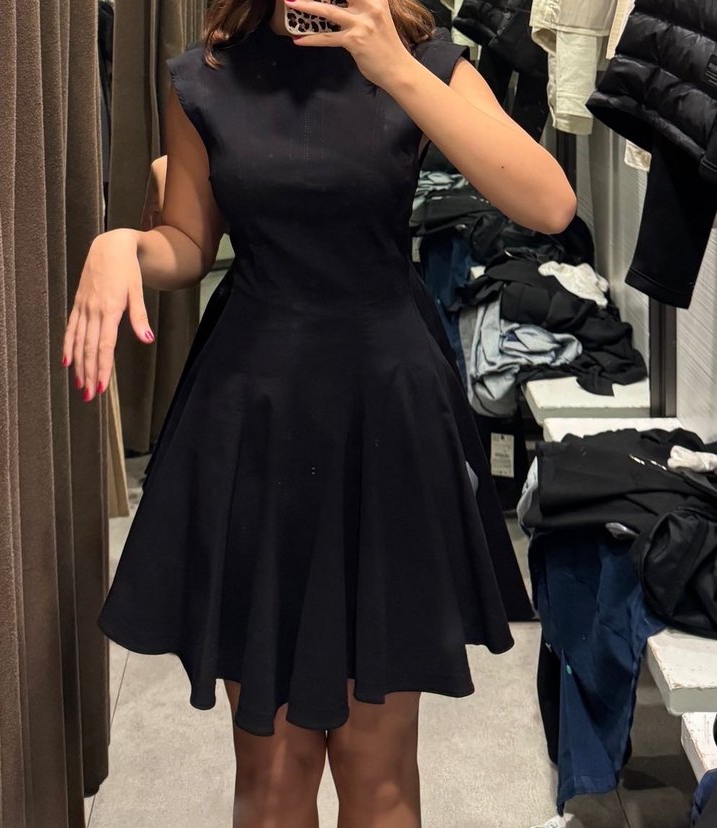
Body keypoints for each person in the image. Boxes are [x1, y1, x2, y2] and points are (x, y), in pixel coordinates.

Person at [61, 0, 576, 824]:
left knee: (378, 769)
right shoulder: (207, 75)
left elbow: (548, 205)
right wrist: (120, 243)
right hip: (253, 419)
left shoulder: (423, 64)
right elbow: (188, 242)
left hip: (386, 420)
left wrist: (395, 68)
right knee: (271, 772)